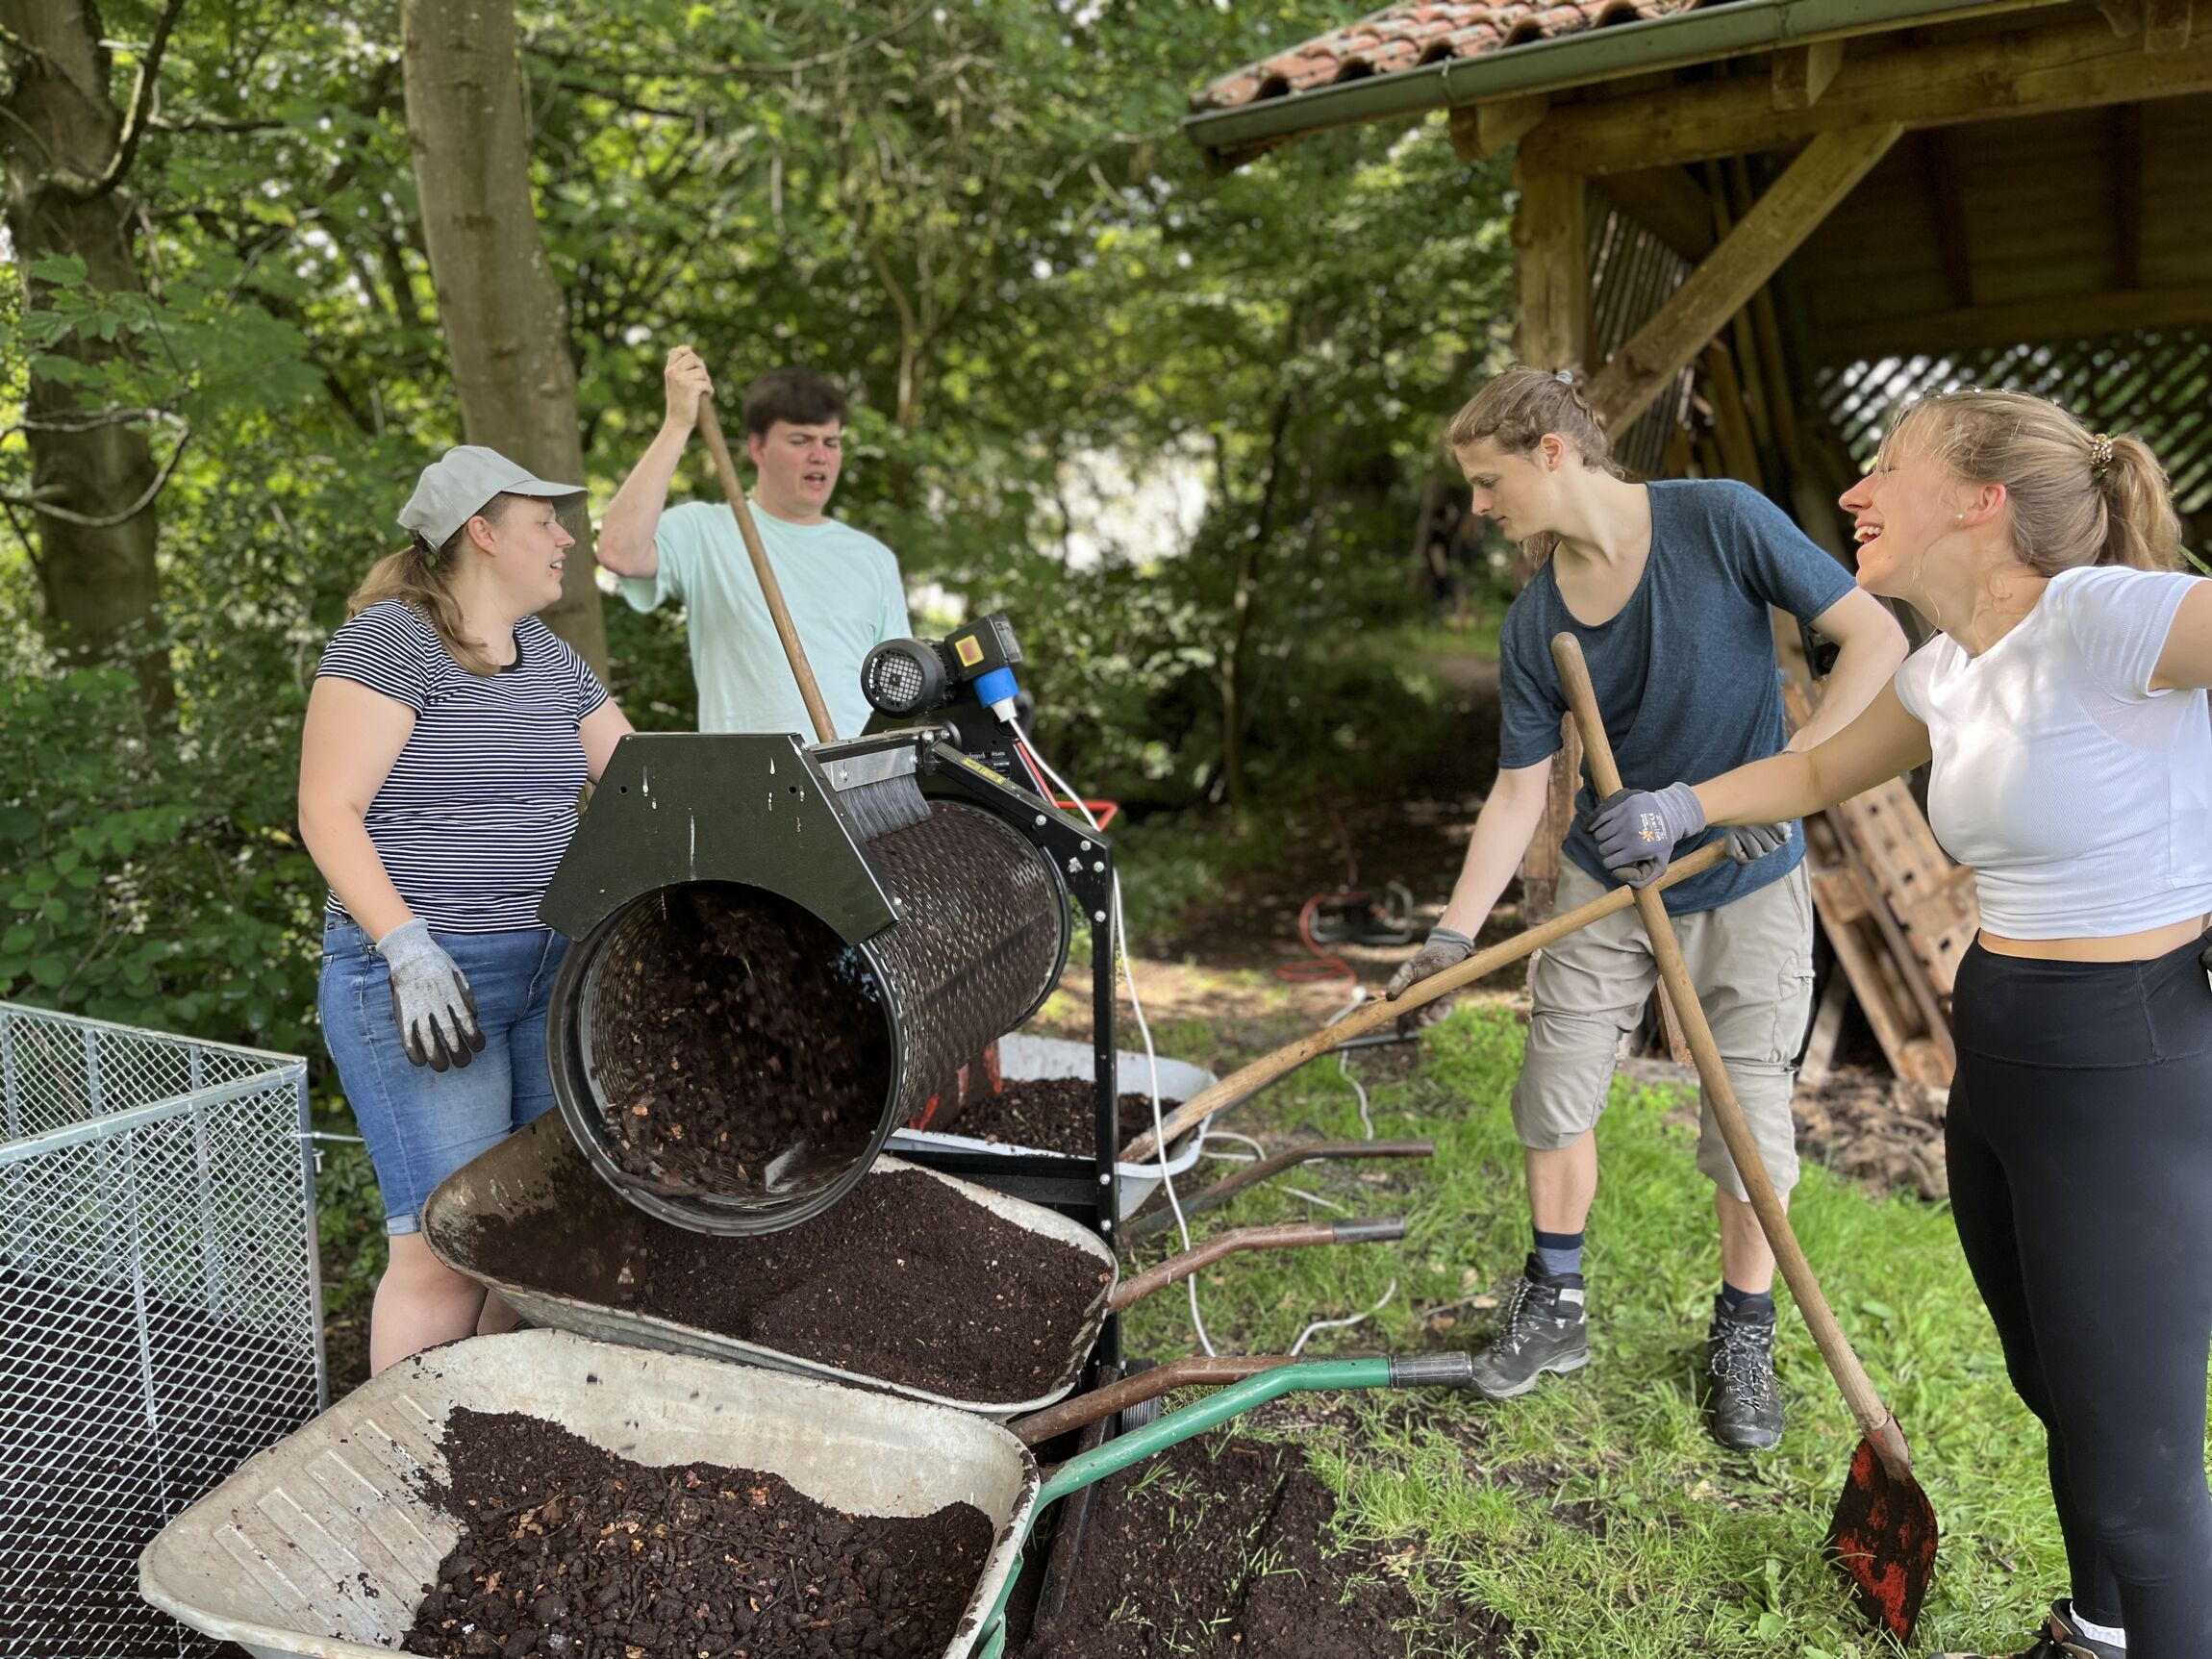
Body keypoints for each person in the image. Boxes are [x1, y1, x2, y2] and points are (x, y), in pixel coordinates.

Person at [1593, 390, 2212, 1659]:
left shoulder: (2102, 613)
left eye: (1884, 468)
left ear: (1983, 501)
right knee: (2062, 1392)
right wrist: (1677, 806)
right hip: (2003, 1058)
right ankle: (2098, 1630)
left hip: (2125, 1066)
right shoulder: (1953, 669)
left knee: (2145, 1479)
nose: (1857, 492)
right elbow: (1819, 770)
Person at [1386, 365, 1907, 1449]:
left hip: (1748, 872)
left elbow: (1875, 642)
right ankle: (1556, 1303)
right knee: (1554, 1086)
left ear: (1550, 451)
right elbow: (1519, 789)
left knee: (1747, 1120)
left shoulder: (1716, 520)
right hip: (1609, 879)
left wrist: (1791, 777)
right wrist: (1448, 935)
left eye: (1487, 481)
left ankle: (1742, 1333)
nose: (1477, 508)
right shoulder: (1535, 624)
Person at [299, 446, 635, 1373]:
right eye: (544, 521)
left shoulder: (552, 660)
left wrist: (785, 793)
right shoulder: (387, 645)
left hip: (547, 977)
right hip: (422, 982)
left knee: (528, 1238)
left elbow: (645, 788)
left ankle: (485, 1433)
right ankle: (404, 1470)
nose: (566, 537)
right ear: (482, 533)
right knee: (445, 1251)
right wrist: (406, 947)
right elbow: (328, 810)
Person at [596, 348, 912, 737]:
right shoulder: (707, 530)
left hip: (853, 784)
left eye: (831, 442)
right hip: (748, 786)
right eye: (801, 440)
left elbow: (901, 692)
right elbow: (618, 552)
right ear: (758, 448)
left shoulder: (872, 559)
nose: (820, 456)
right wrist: (678, 424)